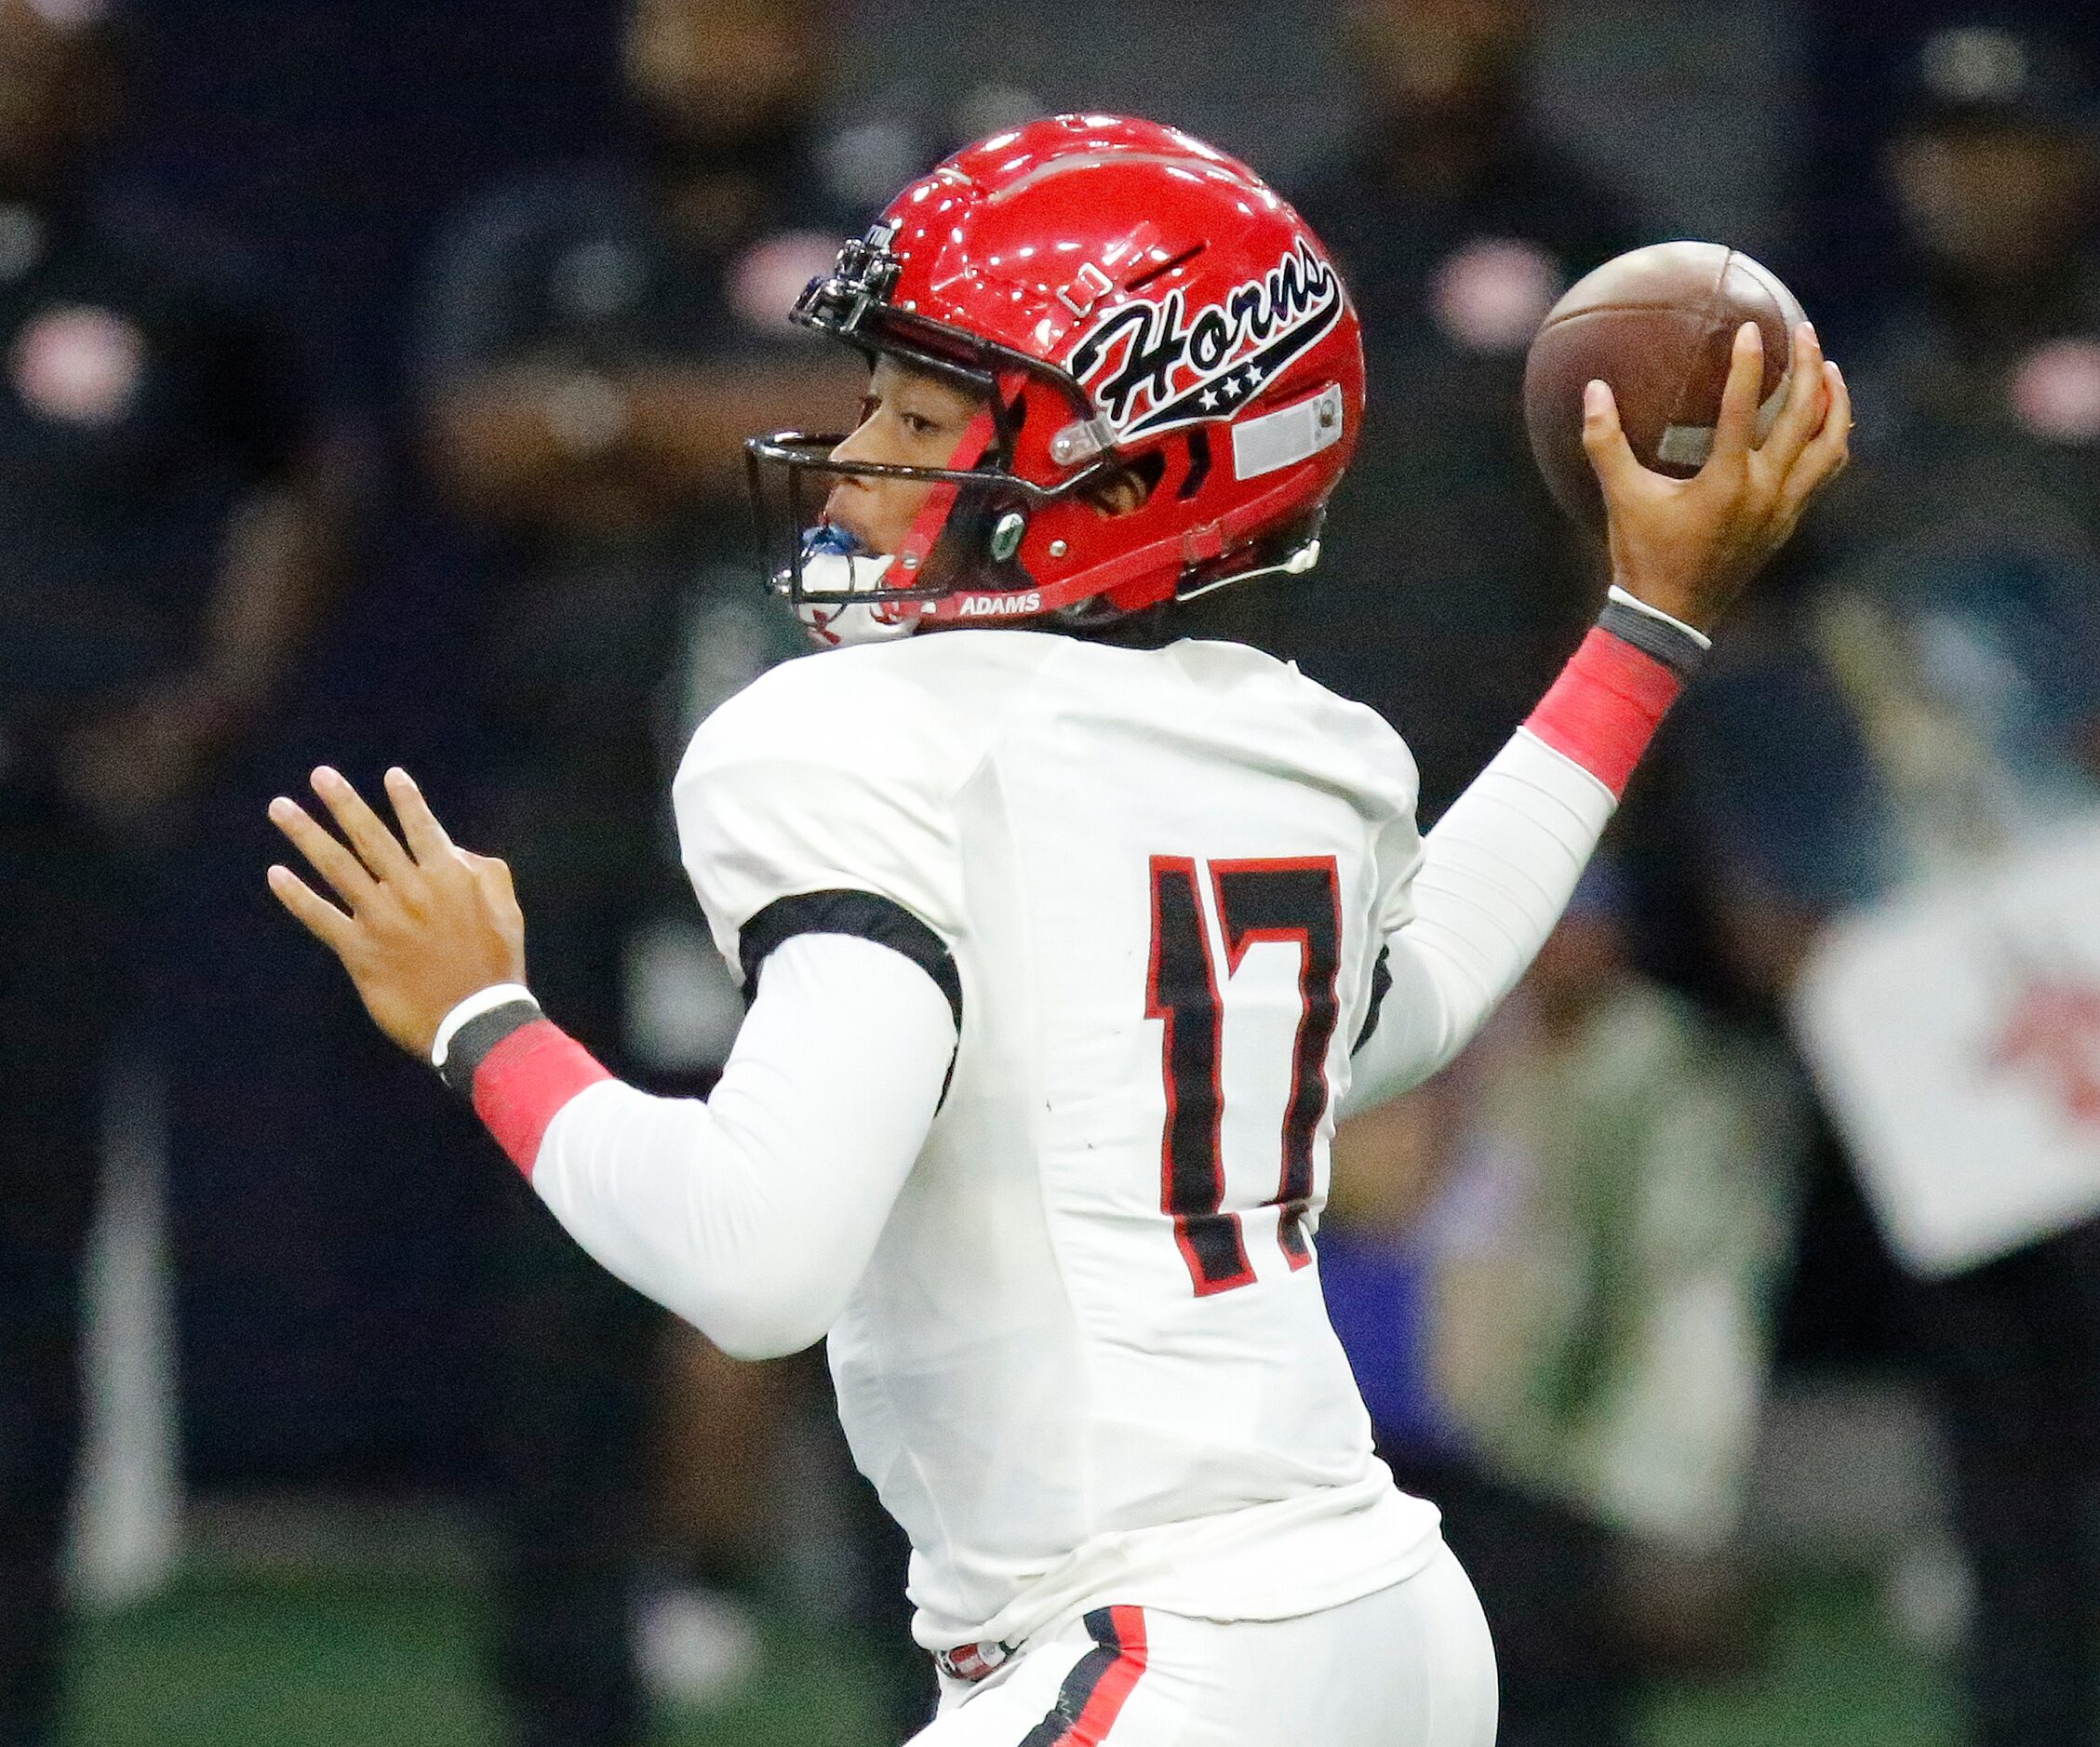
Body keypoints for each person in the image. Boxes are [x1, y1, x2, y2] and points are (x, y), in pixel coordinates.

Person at [269, 116, 1847, 1744]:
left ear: (1130, 468)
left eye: (924, 411)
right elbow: (1416, 998)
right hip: (1377, 1627)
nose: (857, 445)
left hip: (1163, 1648)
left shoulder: (851, 739)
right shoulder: (1301, 744)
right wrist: (1644, 629)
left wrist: (485, 1024)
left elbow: (754, 1260)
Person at [412, 1, 863, 1737]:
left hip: (840, 825)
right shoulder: (537, 235)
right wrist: (752, 438)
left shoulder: (883, 224)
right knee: (565, 1270)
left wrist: (610, 423)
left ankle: (941, 1672)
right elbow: (477, 447)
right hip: (582, 825)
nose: (714, 52)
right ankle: (570, 1688)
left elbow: (894, 426)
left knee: (883, 1230)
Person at [1675, 23, 2100, 1746]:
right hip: (1959, 987)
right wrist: (1769, 874)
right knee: (1997, 1406)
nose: (1974, 179)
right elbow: (1765, 664)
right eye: (1945, 146)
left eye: (2011, 144)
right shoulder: (1864, 395)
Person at [0, 3, 347, 1740]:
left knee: (28, 1266)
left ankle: (20, 1670)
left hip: (50, 832)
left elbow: (307, 475)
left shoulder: (174, 287)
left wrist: (203, 705)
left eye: (45, 54)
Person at [1325, 863, 1800, 1747]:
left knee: (1550, 1695)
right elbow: (1377, 1184)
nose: (1573, 952)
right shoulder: (1387, 1033)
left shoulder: (1638, 1066)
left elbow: (1685, 1274)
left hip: (1535, 1457)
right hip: (1375, 1449)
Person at [1275, 0, 1639, 818]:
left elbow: (1632, 534)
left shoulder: (1598, 247)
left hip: (1528, 765)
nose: (1431, 17)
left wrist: (1595, 785)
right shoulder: (1289, 241)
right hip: (1307, 754)